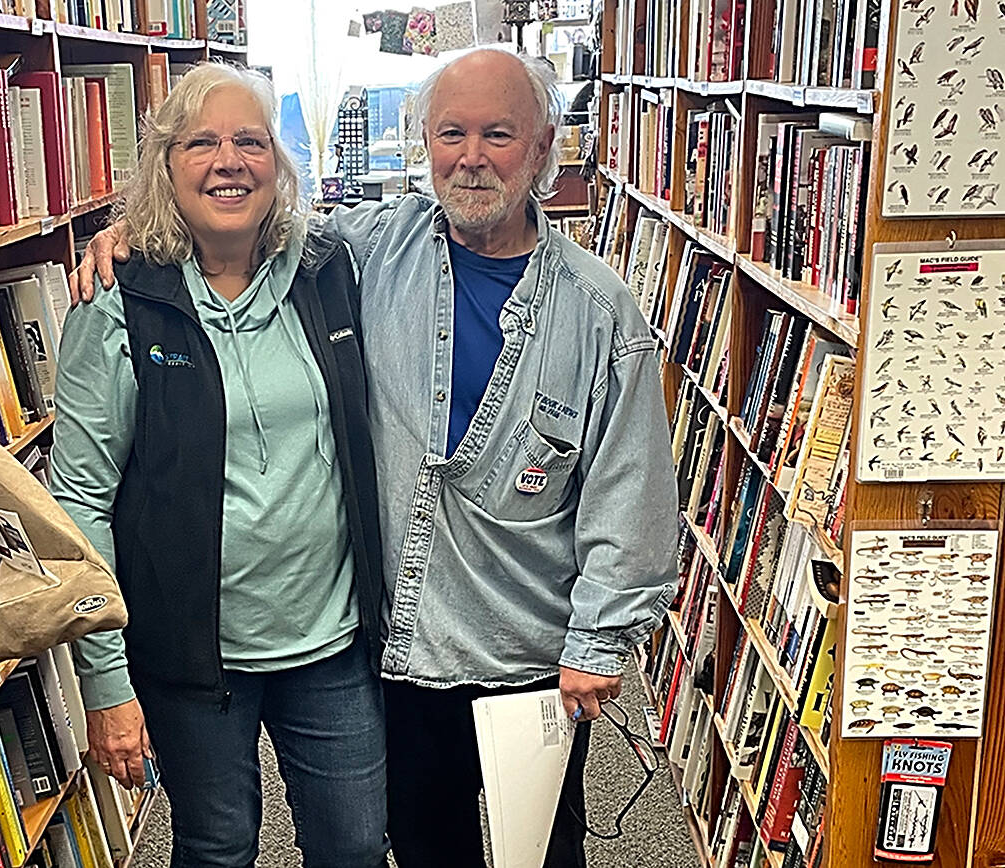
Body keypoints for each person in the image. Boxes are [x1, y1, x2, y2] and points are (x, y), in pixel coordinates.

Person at [72, 49, 678, 868]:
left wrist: (597, 644)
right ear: (423, 144)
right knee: (418, 845)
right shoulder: (366, 250)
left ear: (543, 151)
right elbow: (236, 216)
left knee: (539, 852)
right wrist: (134, 235)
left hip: (530, 653)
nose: (471, 156)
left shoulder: (600, 310)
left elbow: (630, 487)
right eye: (450, 133)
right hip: (405, 646)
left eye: (498, 134)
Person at [49, 63, 390, 868]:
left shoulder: (330, 269)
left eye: (250, 140)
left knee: (352, 845)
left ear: (280, 161)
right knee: (218, 845)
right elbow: (79, 504)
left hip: (333, 642)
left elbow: (439, 231)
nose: (228, 161)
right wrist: (106, 684)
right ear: (165, 167)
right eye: (201, 143)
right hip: (193, 655)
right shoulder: (120, 300)